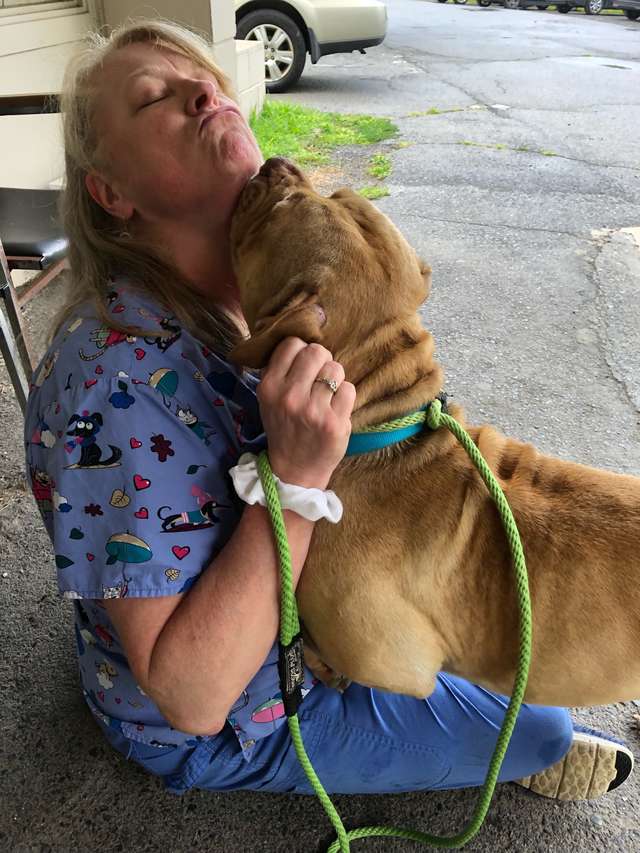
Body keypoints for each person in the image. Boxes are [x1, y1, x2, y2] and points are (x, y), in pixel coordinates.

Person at [24, 18, 633, 802]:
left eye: (202, 79)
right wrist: (295, 476)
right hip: (237, 716)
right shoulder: (119, 383)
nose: (206, 92)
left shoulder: (250, 291)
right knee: (541, 722)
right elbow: (191, 695)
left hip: (281, 613)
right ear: (112, 192)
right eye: (155, 100)